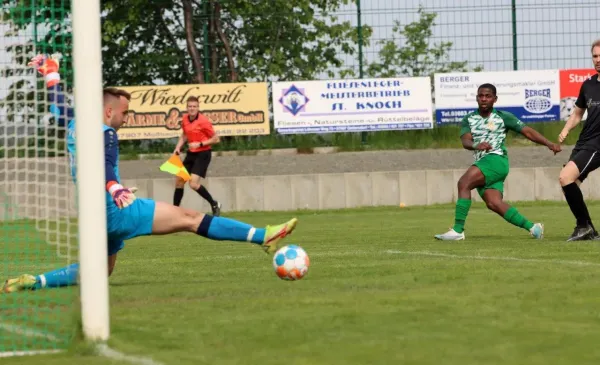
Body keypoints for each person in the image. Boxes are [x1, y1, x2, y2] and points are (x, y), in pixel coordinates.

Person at [2, 54, 297, 293]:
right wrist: (115, 188)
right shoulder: (106, 133)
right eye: (124, 112)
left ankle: (34, 281)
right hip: (116, 210)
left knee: (101, 272)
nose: (126, 118)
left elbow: (58, 106)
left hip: (92, 215)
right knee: (191, 219)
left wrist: (50, 73)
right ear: (108, 112)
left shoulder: (75, 125)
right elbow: (103, 164)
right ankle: (263, 236)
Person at [434, 83, 562, 241]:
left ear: (495, 99)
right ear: (476, 98)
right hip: (484, 162)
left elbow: (527, 131)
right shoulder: (469, 119)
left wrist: (549, 144)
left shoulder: (503, 117)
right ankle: (533, 228)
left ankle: (458, 230)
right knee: (494, 203)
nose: (484, 99)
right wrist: (476, 145)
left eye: (488, 96)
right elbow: (465, 141)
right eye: (481, 96)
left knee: (463, 183)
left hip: (496, 160)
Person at [557, 39, 600, 241]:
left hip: (597, 145)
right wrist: (565, 131)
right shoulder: (588, 85)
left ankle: (583, 226)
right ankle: (588, 228)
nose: (598, 60)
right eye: (595, 56)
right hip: (584, 141)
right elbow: (577, 114)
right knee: (569, 185)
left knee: (565, 177)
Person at [173, 97, 222, 216]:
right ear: (187, 108)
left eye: (194, 106)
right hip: (191, 153)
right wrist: (178, 147)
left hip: (203, 153)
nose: (192, 108)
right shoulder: (185, 119)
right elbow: (184, 135)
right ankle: (174, 211)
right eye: (190, 106)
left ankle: (214, 203)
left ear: (198, 108)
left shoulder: (203, 121)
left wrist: (200, 144)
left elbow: (216, 139)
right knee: (179, 181)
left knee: (193, 184)